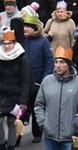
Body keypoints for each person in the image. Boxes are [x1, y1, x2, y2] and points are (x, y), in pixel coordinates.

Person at [0, 29, 31, 150]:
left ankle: (10, 149)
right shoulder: (0, 56)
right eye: (4, 43)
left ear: (14, 43)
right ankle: (1, 146)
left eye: (9, 43)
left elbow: (26, 81)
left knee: (12, 122)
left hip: (16, 94)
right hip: (1, 92)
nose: (7, 46)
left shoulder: (22, 59)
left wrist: (23, 101)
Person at [20, 12, 55, 143]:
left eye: (29, 26)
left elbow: (49, 61)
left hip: (37, 80)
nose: (25, 29)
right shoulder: (21, 40)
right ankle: (18, 134)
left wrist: (44, 78)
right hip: (22, 80)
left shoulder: (42, 41)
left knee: (37, 107)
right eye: (24, 26)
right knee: (22, 107)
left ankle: (37, 133)